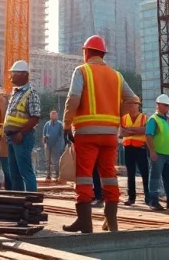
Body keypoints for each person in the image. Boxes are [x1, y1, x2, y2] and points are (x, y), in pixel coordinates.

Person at [62, 35, 140, 234]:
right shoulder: (117, 76)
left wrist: (66, 124)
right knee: (109, 177)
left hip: (86, 134)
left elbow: (73, 99)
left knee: (84, 177)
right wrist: (115, 114)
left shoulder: (82, 71)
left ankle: (85, 222)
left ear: (86, 52)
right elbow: (133, 100)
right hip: (109, 136)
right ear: (103, 54)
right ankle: (111, 222)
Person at [4, 60, 41, 193]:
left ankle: (32, 202)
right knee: (14, 173)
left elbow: (35, 117)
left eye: (13, 73)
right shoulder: (15, 93)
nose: (10, 76)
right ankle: (18, 203)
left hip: (22, 138)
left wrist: (21, 133)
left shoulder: (31, 93)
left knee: (25, 171)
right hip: (12, 138)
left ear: (23, 74)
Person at [145, 94, 169, 211]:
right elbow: (148, 135)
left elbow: (168, 136)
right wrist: (152, 151)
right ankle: (153, 202)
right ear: (158, 105)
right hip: (158, 153)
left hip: (168, 153)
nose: (167, 108)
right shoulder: (153, 120)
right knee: (155, 178)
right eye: (165, 105)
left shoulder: (166, 120)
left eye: (168, 106)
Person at [120, 107, 150, 206]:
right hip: (128, 148)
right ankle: (131, 198)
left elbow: (146, 130)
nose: (131, 107)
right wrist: (137, 130)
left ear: (138, 105)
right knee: (130, 174)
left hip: (140, 148)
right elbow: (122, 132)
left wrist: (131, 130)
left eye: (133, 104)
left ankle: (148, 197)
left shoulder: (144, 118)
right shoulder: (124, 118)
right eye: (130, 104)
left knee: (145, 173)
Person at [42, 110, 64, 183]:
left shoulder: (60, 124)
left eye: (54, 115)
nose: (53, 116)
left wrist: (59, 144)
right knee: (48, 161)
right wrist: (44, 141)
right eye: (52, 115)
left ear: (57, 116)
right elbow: (44, 134)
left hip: (56, 145)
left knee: (56, 161)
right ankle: (48, 175)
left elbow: (61, 135)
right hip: (48, 145)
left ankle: (57, 175)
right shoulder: (47, 124)